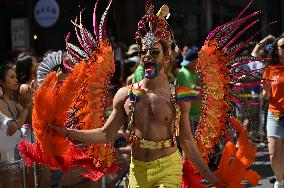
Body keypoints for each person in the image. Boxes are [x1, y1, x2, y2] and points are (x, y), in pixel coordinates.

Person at [50, 2, 221, 188]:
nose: (147, 56)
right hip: (138, 171)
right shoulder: (126, 95)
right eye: (143, 52)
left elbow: (187, 140)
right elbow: (105, 134)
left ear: (167, 57)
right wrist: (68, 132)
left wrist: (209, 176)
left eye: (155, 52)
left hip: (168, 168)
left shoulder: (178, 95)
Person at [262, 33, 284, 188]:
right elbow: (267, 93)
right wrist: (265, 92)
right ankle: (279, 180)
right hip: (274, 114)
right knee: (274, 154)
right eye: (283, 46)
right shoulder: (270, 69)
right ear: (277, 49)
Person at [0, 65, 32, 161]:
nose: (16, 80)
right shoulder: (1, 102)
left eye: (16, 77)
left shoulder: (15, 102)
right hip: (7, 152)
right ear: (2, 82)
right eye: (11, 77)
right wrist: (27, 106)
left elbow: (29, 120)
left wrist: (31, 98)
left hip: (17, 148)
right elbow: (16, 126)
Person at [175, 47, 201, 133]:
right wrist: (209, 91)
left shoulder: (192, 71)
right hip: (189, 119)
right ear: (194, 61)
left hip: (194, 117)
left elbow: (196, 88)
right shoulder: (185, 74)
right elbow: (192, 97)